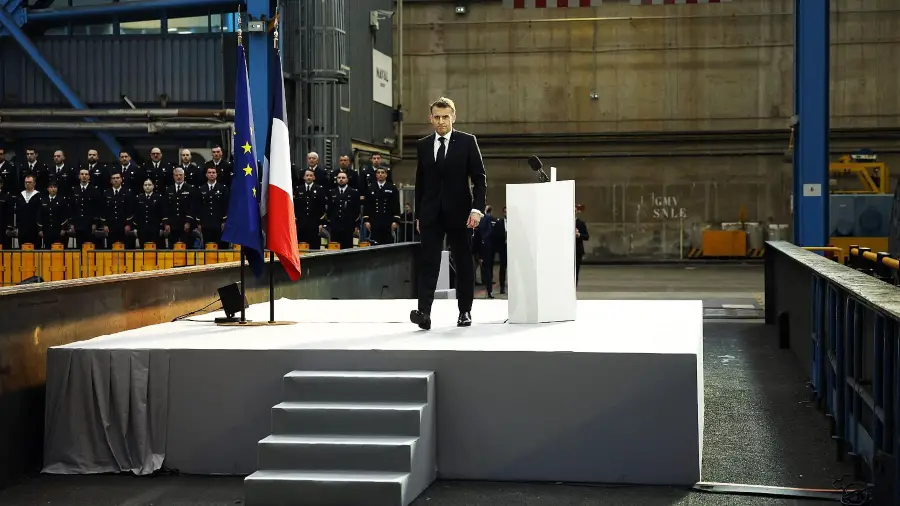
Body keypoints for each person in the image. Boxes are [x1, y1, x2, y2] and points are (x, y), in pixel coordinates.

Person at [410, 97, 487, 330]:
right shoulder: (423, 145)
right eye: (437, 117)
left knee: (463, 263)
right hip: (431, 213)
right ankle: (424, 313)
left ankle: (464, 311)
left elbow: (480, 179)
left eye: (445, 117)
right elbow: (420, 182)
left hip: (461, 214)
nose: (441, 121)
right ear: (431, 118)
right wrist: (419, 214)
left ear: (453, 117)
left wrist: (477, 210)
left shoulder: (467, 142)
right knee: (429, 263)